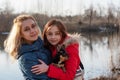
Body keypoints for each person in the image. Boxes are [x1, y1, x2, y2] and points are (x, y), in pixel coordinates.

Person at [4, 14, 54, 80]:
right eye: (26, 29)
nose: (32, 31)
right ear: (21, 34)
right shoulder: (26, 58)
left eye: (33, 26)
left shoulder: (45, 43)